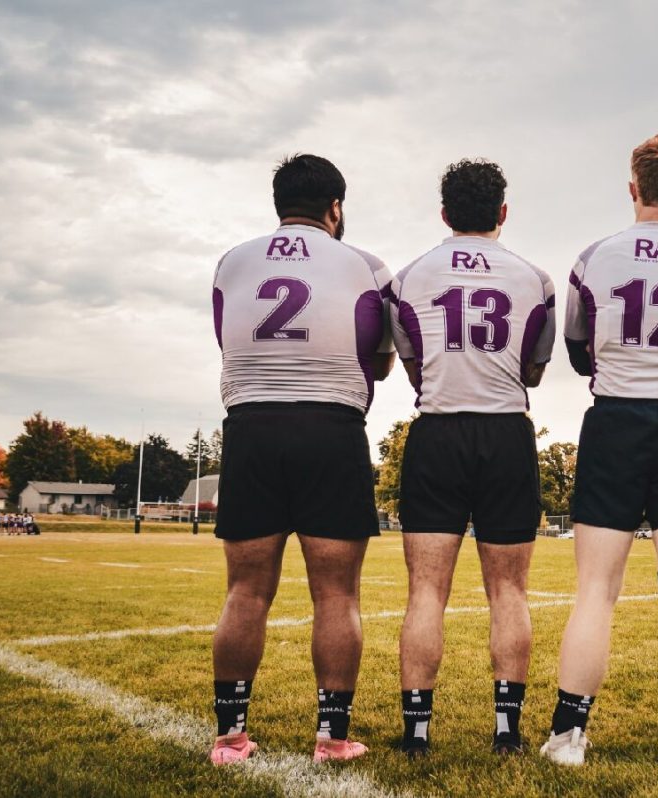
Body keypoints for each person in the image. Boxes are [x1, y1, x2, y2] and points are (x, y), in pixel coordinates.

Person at [540, 135, 658, 768]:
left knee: (596, 591)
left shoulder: (595, 258)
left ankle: (569, 736)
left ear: (632, 189)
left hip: (615, 422)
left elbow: (576, 348)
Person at [208, 153, 395, 765]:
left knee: (245, 591)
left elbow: (226, 336)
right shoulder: (364, 265)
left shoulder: (232, 261)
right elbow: (380, 361)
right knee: (337, 595)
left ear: (278, 205)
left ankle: (231, 736)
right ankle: (333, 738)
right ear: (335, 208)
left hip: (251, 427)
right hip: (330, 425)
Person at [390, 159, 555, 758]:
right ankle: (507, 730)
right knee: (509, 591)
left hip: (438, 431)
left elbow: (410, 361)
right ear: (502, 213)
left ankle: (417, 734)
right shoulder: (535, 279)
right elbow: (533, 368)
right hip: (506, 431)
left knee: (426, 592)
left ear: (444, 214)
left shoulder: (408, 277)